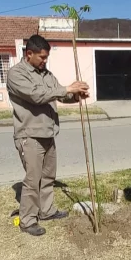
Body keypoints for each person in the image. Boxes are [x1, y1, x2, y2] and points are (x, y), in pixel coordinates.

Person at [7, 34, 90, 236]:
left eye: (46, 58)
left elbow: (59, 95)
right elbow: (36, 95)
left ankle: (47, 210)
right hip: (29, 135)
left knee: (48, 176)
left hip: (48, 133)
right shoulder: (16, 74)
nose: (45, 61)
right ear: (29, 54)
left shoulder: (46, 74)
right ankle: (27, 220)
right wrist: (67, 88)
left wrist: (75, 95)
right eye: (42, 57)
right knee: (33, 179)